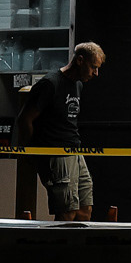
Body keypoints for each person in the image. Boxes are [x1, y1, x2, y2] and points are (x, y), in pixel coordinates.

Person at [16, 42, 105, 221]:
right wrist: (31, 152)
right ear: (80, 60)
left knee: (85, 210)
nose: (95, 73)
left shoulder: (78, 85)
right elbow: (25, 119)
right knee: (67, 212)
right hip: (56, 153)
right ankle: (57, 240)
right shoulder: (50, 83)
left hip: (75, 151)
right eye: (93, 67)